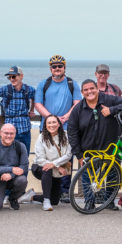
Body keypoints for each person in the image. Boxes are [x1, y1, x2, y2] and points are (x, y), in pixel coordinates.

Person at [68, 79, 122, 209]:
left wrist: (112, 110)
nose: (89, 92)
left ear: (97, 88)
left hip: (111, 146)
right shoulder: (78, 109)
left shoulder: (109, 100)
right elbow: (72, 133)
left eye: (92, 88)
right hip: (88, 149)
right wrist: (78, 154)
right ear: (82, 92)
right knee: (88, 175)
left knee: (112, 174)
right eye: (86, 90)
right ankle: (89, 201)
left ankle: (109, 201)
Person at [34, 55, 81, 200]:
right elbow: (38, 104)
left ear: (64, 68)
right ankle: (53, 189)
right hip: (48, 126)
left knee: (66, 155)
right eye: (54, 66)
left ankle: (65, 190)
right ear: (50, 69)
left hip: (68, 125)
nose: (57, 68)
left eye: (60, 66)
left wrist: (66, 117)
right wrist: (51, 118)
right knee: (49, 155)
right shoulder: (44, 84)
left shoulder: (72, 83)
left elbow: (77, 103)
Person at [0, 66, 36, 153]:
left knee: (25, 156)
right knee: (9, 156)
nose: (11, 79)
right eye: (10, 77)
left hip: (25, 129)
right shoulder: (5, 89)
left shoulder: (29, 90)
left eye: (14, 76)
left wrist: (32, 109)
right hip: (9, 131)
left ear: (21, 76)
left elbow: (34, 97)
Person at [32, 115, 72, 210]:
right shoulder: (41, 137)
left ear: (59, 124)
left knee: (54, 201)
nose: (51, 125)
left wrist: (54, 164)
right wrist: (57, 167)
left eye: (54, 122)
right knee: (47, 168)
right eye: (49, 123)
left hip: (55, 168)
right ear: (45, 125)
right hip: (39, 167)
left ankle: (32, 196)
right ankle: (46, 201)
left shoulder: (66, 135)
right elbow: (40, 159)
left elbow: (68, 155)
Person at [0, 124, 30, 211]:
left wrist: (11, 174)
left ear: (15, 134)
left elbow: (24, 166)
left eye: (12, 133)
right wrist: (12, 169)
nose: (9, 136)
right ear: (0, 133)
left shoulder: (20, 146)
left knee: (22, 180)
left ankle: (12, 198)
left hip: (13, 178)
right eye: (6, 133)